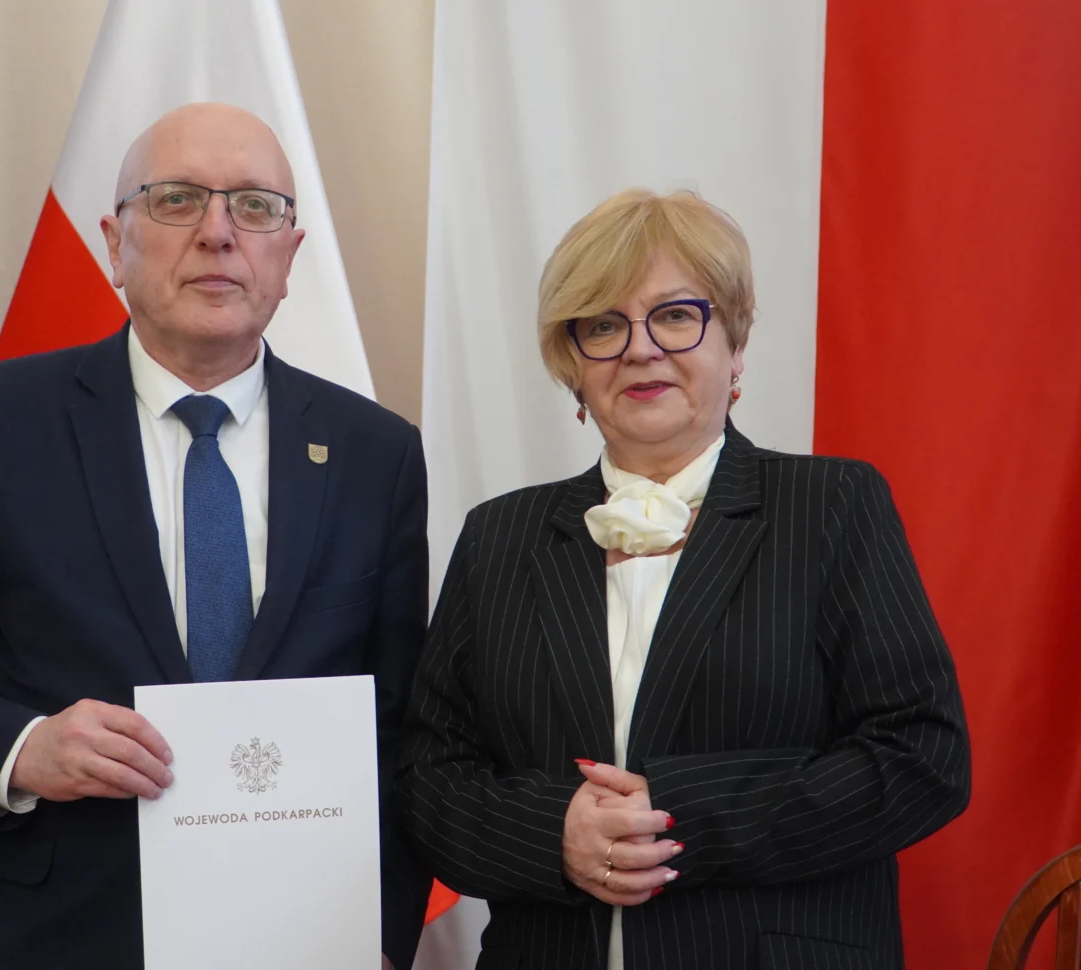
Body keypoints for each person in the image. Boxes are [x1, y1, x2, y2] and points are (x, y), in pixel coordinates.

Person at [0, 103, 430, 969]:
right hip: (49, 940)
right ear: (115, 245)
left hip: (299, 942)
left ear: (288, 256)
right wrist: (24, 748)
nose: (219, 233)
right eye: (178, 199)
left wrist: (384, 939)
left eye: (255, 207)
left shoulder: (377, 453)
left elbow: (401, 732)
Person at [396, 188, 970, 970]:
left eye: (674, 315)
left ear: (735, 345)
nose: (640, 348)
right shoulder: (498, 537)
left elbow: (922, 758)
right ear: (572, 365)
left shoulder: (833, 505)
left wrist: (679, 816)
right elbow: (429, 780)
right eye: (603, 325)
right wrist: (555, 832)